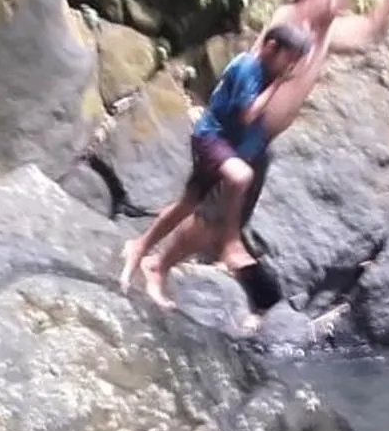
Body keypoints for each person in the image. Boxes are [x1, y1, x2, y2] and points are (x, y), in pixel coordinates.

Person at [122, 0, 389, 306]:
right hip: (237, 136)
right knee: (205, 214)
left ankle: (155, 257)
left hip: (259, 144)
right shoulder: (287, 23)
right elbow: (279, 59)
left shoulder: (322, 30)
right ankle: (155, 262)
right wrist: (339, 8)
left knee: (207, 218)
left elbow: (367, 34)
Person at [130, 19, 316, 309]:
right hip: (213, 141)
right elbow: (247, 115)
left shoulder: (264, 69)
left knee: (187, 205)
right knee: (239, 179)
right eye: (288, 59)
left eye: (293, 63)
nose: (288, 68)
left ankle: (143, 251)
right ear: (270, 47)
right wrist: (278, 84)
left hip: (229, 147)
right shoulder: (249, 69)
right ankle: (229, 239)